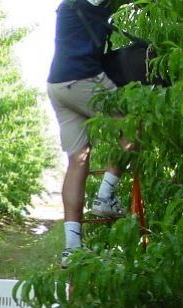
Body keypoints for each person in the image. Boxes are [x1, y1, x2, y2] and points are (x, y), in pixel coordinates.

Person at [47, 0, 131, 267]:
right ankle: (105, 195)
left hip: (58, 85)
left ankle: (72, 247)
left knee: (78, 160)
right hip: (84, 78)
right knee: (133, 125)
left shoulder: (67, 5)